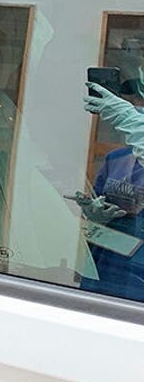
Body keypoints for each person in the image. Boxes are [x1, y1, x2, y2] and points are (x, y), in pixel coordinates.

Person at [75, 81, 144, 302]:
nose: (137, 106)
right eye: (133, 101)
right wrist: (95, 214)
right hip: (107, 260)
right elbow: (98, 201)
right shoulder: (116, 158)